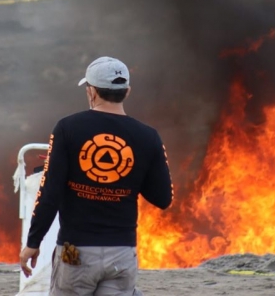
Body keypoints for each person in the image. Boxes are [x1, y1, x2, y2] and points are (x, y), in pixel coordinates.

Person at [20, 56, 173, 296]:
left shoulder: (67, 128)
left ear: (91, 91)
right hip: (122, 253)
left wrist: (33, 242)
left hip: (76, 252)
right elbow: (163, 198)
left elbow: (51, 192)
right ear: (127, 91)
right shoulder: (148, 136)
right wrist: (132, 172)